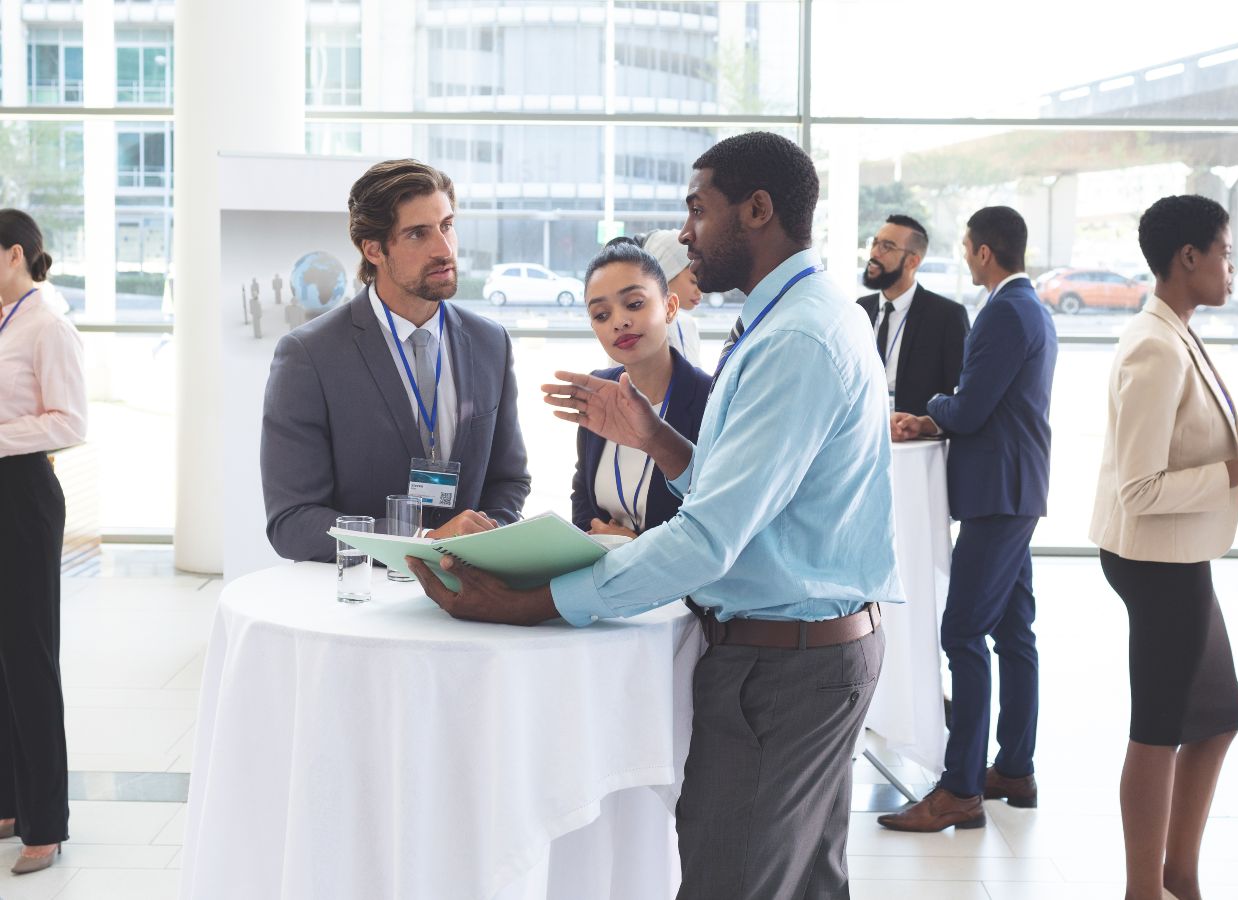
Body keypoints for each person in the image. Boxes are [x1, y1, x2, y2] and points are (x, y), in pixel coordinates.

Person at [405, 131, 900, 899]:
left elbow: (709, 537)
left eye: (697, 212)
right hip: (808, 653)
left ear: (758, 210)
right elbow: (751, 496)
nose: (685, 236)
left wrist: (532, 604)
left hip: (785, 668)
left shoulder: (797, 337)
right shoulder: (802, 316)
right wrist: (653, 436)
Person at [1090, 195, 1238, 900]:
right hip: (1155, 562)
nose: (1233, 269)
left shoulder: (1175, 331)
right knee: (1158, 725)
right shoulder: (1155, 346)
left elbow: (1177, 450)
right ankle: (1144, 889)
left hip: (1177, 558)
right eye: (1225, 253)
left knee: (1219, 713)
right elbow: (1142, 490)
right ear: (1189, 258)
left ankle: (1178, 874)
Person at [877, 206, 1055, 832]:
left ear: (982, 252)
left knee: (962, 634)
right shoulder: (1029, 306)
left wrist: (929, 407)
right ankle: (1013, 767)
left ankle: (959, 789)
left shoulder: (1005, 311)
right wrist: (939, 417)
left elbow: (972, 407)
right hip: (1014, 490)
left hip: (997, 495)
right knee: (1013, 633)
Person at [261, 159, 530, 562]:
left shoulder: (490, 342)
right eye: (419, 234)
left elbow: (508, 480)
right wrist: (423, 539)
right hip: (363, 599)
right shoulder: (309, 356)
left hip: (472, 595)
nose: (444, 249)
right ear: (374, 249)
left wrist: (484, 541)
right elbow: (293, 521)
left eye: (447, 225)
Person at [0, 209, 87, 875]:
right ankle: (8, 803)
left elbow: (69, 421)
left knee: (29, 656)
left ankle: (46, 825)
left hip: (23, 496)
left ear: (14, 255)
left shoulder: (46, 324)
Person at [571, 237, 712, 537]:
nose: (619, 322)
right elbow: (583, 501)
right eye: (601, 315)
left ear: (670, 307)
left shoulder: (709, 399)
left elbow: (714, 522)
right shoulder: (599, 390)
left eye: (634, 304)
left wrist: (632, 547)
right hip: (602, 577)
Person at [856, 214, 969, 416]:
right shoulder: (860, 309)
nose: (874, 253)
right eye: (875, 243)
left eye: (887, 247)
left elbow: (958, 392)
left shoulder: (947, 316)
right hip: (863, 432)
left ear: (912, 261)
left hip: (917, 440)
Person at [639, 229, 705, 369]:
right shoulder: (636, 330)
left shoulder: (688, 324)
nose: (701, 290)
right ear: (665, 274)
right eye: (693, 281)